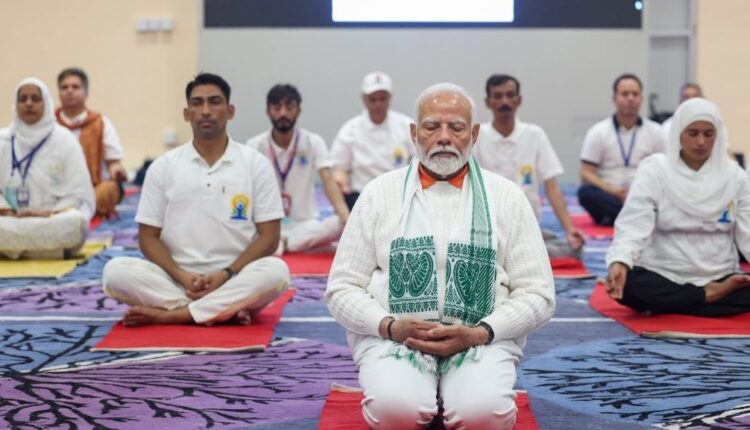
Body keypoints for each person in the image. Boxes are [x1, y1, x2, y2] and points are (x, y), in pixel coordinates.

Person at [326, 83, 555, 429]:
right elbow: (342, 288)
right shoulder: (378, 194)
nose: (444, 137)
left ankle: (453, 395)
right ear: (414, 133)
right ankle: (424, 394)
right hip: (395, 338)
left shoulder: (507, 197)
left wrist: (480, 333)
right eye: (432, 126)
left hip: (480, 339)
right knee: (395, 413)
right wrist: (390, 326)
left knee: (483, 417)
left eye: (457, 128)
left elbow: (539, 293)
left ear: (474, 134)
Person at [102, 73, 289, 327]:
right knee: (114, 272)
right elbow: (147, 237)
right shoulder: (163, 166)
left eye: (215, 102)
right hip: (176, 279)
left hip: (235, 275)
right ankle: (223, 309)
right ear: (186, 113)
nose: (206, 111)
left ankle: (175, 314)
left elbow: (270, 236)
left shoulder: (256, 164)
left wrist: (227, 273)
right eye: (197, 103)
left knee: (277, 272)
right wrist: (180, 274)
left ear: (230, 111)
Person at [606, 98, 750, 316]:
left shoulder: (735, 177)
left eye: (708, 134)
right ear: (678, 133)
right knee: (628, 285)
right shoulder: (655, 170)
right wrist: (620, 261)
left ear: (718, 136)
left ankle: (680, 301)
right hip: (664, 272)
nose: (701, 142)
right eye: (693, 133)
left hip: (719, 274)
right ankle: (708, 297)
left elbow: (748, 234)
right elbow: (634, 223)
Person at [474, 74, 584, 258]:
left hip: (527, 226)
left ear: (519, 100)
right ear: (488, 102)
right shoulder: (477, 137)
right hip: (489, 228)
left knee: (575, 248)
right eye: (498, 96)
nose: (504, 101)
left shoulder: (534, 135)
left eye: (510, 95)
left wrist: (569, 229)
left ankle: (519, 255)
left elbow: (552, 187)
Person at [246, 84, 349, 253]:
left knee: (339, 223)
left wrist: (347, 220)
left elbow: (328, 181)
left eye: (289, 107)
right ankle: (288, 243)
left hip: (305, 224)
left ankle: (284, 244)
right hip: (269, 223)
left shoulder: (313, 142)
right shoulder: (254, 146)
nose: (283, 113)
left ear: (298, 111)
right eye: (277, 107)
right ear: (268, 111)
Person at [0, 78, 94, 259]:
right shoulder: (3, 140)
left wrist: (47, 213)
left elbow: (79, 191)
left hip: (52, 218)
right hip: (10, 218)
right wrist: (7, 211)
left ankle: (13, 249)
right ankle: (43, 249)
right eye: (23, 99)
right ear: (15, 104)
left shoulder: (64, 139)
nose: (28, 104)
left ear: (46, 103)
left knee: (74, 221)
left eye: (35, 99)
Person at [578, 73, 666, 226]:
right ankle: (636, 217)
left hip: (643, 194)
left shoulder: (656, 131)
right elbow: (586, 173)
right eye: (625, 94)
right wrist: (612, 191)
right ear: (614, 99)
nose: (630, 99)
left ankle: (621, 217)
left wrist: (638, 192)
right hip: (610, 194)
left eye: (635, 94)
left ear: (641, 98)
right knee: (586, 193)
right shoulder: (598, 131)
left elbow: (664, 170)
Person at [330, 71, 414, 210]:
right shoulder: (350, 130)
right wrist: (342, 183)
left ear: (390, 98)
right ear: (364, 99)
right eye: (373, 99)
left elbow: (420, 161)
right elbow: (339, 169)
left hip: (399, 197)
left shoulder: (406, 126)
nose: (378, 104)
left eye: (382, 99)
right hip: (362, 198)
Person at [55, 67, 127, 218]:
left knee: (110, 189)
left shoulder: (100, 123)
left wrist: (117, 172)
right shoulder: (50, 124)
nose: (69, 91)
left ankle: (69, 211)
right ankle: (73, 210)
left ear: (86, 92)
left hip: (92, 189)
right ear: (59, 93)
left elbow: (113, 162)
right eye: (64, 87)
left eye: (75, 87)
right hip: (56, 188)